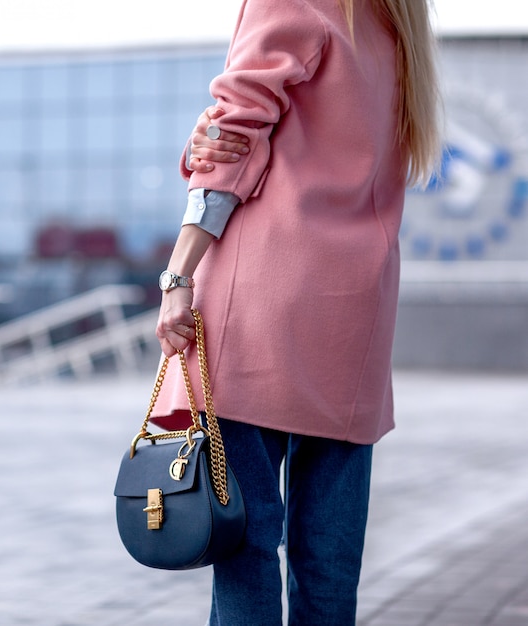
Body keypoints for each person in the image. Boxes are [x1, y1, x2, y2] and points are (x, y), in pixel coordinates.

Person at [153, 0, 441, 623]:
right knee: (329, 569)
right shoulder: (399, 23)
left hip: (262, 308)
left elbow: (233, 138)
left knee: (248, 550)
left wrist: (178, 273)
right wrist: (207, 138)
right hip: (355, 320)